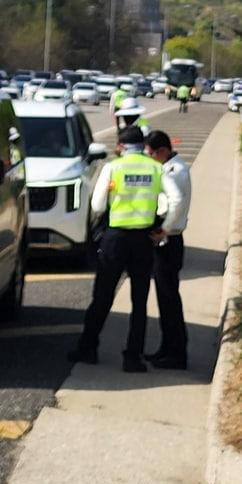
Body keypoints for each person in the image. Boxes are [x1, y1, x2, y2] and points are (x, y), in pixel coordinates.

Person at [69, 125, 163, 372]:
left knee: (102, 296)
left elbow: (98, 205)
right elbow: (165, 205)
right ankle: (133, 357)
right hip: (144, 239)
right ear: (142, 145)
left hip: (116, 237)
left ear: (121, 146)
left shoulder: (113, 167)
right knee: (139, 300)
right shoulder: (156, 168)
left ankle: (88, 348)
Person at [145, 129, 191, 369]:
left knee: (169, 298)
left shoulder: (175, 171)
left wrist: (164, 228)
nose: (149, 157)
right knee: (164, 299)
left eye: (151, 153)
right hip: (166, 240)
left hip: (170, 240)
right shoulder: (169, 167)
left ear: (163, 150)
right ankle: (166, 347)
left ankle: (177, 353)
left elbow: (176, 202)